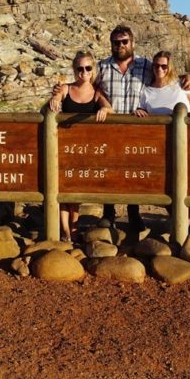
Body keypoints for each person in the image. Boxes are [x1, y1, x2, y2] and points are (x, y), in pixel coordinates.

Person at [52, 24, 190, 231]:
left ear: (132, 42)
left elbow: (166, 74)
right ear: (111, 44)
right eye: (116, 42)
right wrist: (59, 91)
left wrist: (186, 78)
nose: (121, 46)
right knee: (109, 170)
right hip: (109, 128)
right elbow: (86, 84)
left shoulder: (146, 66)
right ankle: (108, 214)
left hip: (137, 128)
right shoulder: (102, 67)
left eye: (124, 42)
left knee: (134, 172)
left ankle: (134, 214)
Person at [47, 51, 112, 241]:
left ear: (93, 70)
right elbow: (57, 99)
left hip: (83, 150)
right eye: (80, 68)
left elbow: (109, 107)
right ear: (75, 70)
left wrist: (104, 109)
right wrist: (55, 100)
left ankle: (73, 230)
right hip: (63, 148)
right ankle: (65, 231)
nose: (84, 72)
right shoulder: (66, 88)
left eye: (88, 68)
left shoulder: (97, 92)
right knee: (61, 190)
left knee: (75, 193)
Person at [134, 51, 190, 118]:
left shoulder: (183, 84)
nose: (159, 69)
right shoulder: (146, 91)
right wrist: (139, 111)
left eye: (164, 66)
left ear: (170, 67)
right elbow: (142, 111)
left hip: (184, 130)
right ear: (152, 67)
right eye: (156, 65)